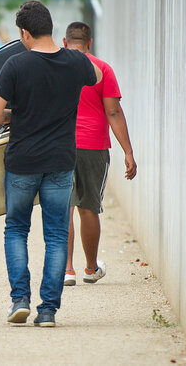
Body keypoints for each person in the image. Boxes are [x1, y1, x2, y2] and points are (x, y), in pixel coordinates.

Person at [0, 0, 101, 328]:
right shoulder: (75, 61)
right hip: (61, 161)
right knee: (55, 233)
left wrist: (15, 114)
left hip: (22, 161)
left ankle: (20, 299)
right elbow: (98, 74)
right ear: (51, 28)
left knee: (17, 229)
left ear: (24, 33)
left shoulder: (16, 65)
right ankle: (48, 309)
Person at [61, 22, 137, 286]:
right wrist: (128, 151)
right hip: (93, 146)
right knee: (88, 208)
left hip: (60, 145)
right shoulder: (102, 69)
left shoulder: (56, 66)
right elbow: (113, 112)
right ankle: (91, 268)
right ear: (90, 43)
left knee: (64, 208)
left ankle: (66, 270)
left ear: (64, 41)